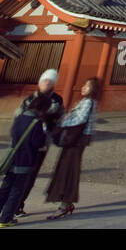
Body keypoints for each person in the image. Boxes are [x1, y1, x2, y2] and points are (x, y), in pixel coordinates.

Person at [0, 91, 52, 227]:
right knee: (17, 190)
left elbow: (12, 134)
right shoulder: (36, 123)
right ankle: (6, 219)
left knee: (4, 188)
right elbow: (38, 143)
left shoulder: (19, 118)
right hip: (26, 159)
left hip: (12, 158)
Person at [44, 77, 100, 220]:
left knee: (68, 171)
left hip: (76, 140)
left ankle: (64, 204)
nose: (83, 87)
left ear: (93, 89)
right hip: (77, 140)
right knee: (69, 170)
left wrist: (63, 122)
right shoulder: (87, 102)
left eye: (87, 86)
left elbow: (80, 119)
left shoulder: (88, 102)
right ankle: (66, 202)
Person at [14, 68, 63, 216]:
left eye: (50, 81)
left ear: (54, 83)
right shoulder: (30, 97)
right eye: (44, 80)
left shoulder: (56, 99)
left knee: (31, 174)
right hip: (24, 139)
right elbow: (19, 115)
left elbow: (56, 114)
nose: (46, 83)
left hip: (41, 141)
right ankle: (8, 205)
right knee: (16, 172)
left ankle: (18, 205)